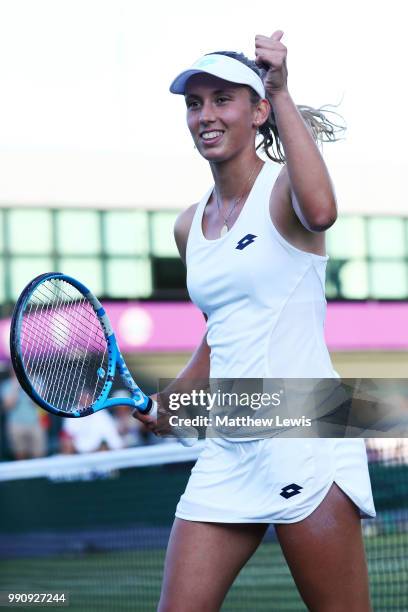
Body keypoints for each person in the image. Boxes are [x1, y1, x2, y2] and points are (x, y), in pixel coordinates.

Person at [135, 31, 376, 611]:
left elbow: (324, 211)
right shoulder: (188, 225)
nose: (205, 115)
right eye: (195, 103)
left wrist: (284, 90)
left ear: (258, 110)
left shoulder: (287, 190)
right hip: (229, 443)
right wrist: (174, 401)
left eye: (223, 99)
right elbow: (223, 333)